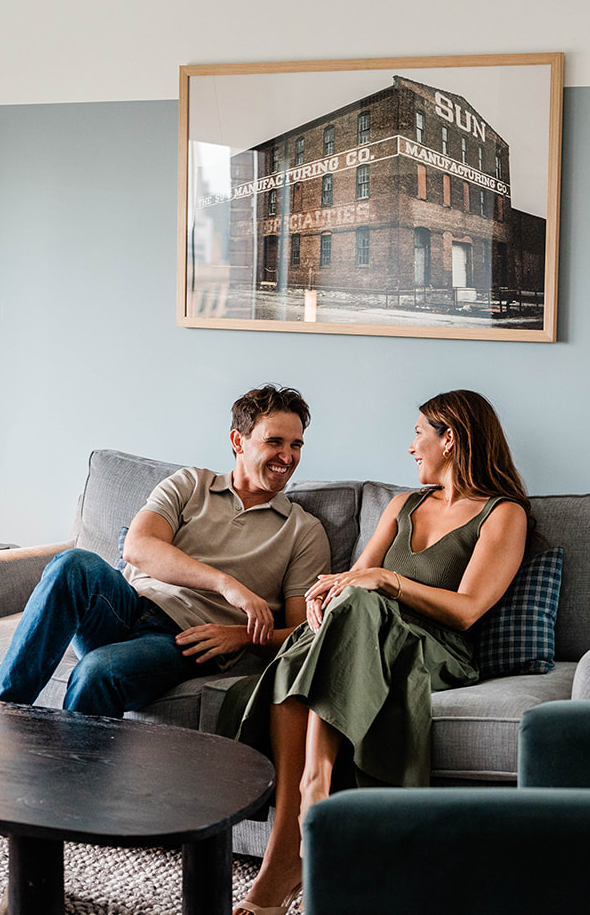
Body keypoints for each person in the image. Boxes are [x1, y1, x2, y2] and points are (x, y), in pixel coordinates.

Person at [224, 390, 532, 915]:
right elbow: (352, 583)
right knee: (330, 624)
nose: (411, 447)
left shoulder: (502, 515)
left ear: (450, 439)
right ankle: (291, 840)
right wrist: (328, 595)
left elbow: (466, 611)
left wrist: (385, 581)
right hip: (359, 634)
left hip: (431, 649)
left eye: (419, 433)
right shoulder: (403, 505)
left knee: (360, 608)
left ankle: (313, 787)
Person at [0, 384, 331, 718]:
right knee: (73, 564)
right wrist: (227, 585)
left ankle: (70, 777)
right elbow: (138, 547)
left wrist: (240, 637)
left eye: (296, 445)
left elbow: (303, 633)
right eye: (275, 442)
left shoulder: (303, 531)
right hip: (126, 606)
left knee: (98, 671)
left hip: (185, 640)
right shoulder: (190, 484)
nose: (287, 457)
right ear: (238, 441)